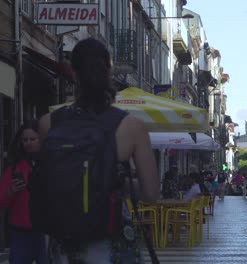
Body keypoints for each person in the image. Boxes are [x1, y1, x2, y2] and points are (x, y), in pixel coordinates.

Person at [37, 38, 158, 263]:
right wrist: (123, 183)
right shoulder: (131, 127)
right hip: (111, 243)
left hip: (64, 244)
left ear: (73, 72)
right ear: (109, 72)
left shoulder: (48, 123)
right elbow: (151, 195)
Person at [0, 120, 48, 264]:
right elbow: (1, 201)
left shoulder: (50, 165)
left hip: (45, 232)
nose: (28, 143)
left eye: (32, 139)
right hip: (20, 232)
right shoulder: (14, 168)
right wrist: (11, 191)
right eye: (24, 140)